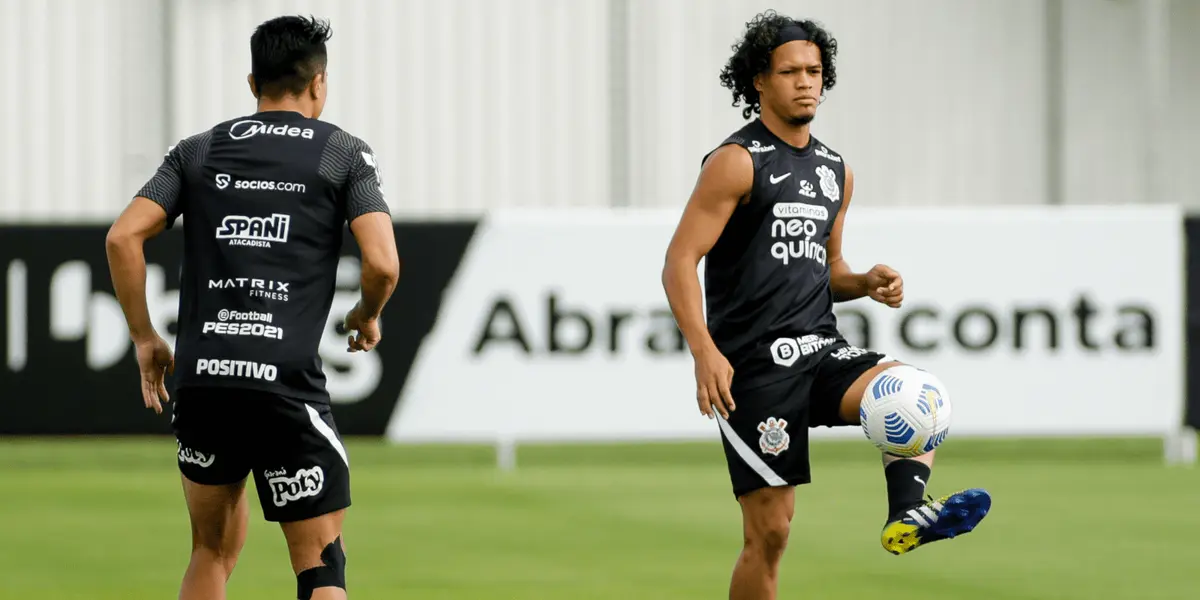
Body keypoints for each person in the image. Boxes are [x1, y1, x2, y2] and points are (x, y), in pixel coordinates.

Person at [661, 11, 991, 599]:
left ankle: (906, 516)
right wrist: (703, 351)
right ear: (759, 80)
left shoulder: (835, 169)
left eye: (815, 71)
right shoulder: (737, 161)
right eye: (790, 71)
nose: (806, 81)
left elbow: (828, 270)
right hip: (753, 369)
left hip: (820, 350)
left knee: (918, 394)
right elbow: (679, 261)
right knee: (771, 535)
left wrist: (865, 281)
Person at [104, 15, 398, 600]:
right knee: (321, 564)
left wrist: (145, 338)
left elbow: (122, 238)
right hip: (283, 385)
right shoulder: (342, 155)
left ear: (252, 82)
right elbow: (383, 264)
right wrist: (367, 313)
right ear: (319, 83)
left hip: (205, 379)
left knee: (210, 553)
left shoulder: (199, 150)